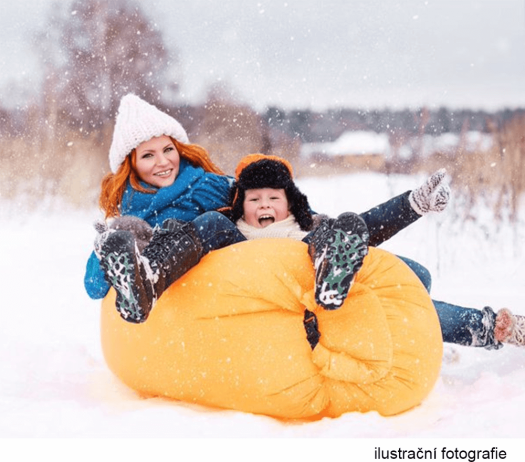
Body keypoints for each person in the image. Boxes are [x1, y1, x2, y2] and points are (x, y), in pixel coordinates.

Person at [87, 93, 525, 350]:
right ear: (130, 165)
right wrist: (113, 245)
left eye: (167, 149)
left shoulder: (220, 190)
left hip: (296, 275)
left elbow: (357, 225)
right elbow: (94, 282)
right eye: (147, 155)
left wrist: (412, 203)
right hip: (218, 285)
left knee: (405, 278)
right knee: (206, 228)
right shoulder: (145, 217)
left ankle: (488, 326)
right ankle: (146, 278)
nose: (162, 161)